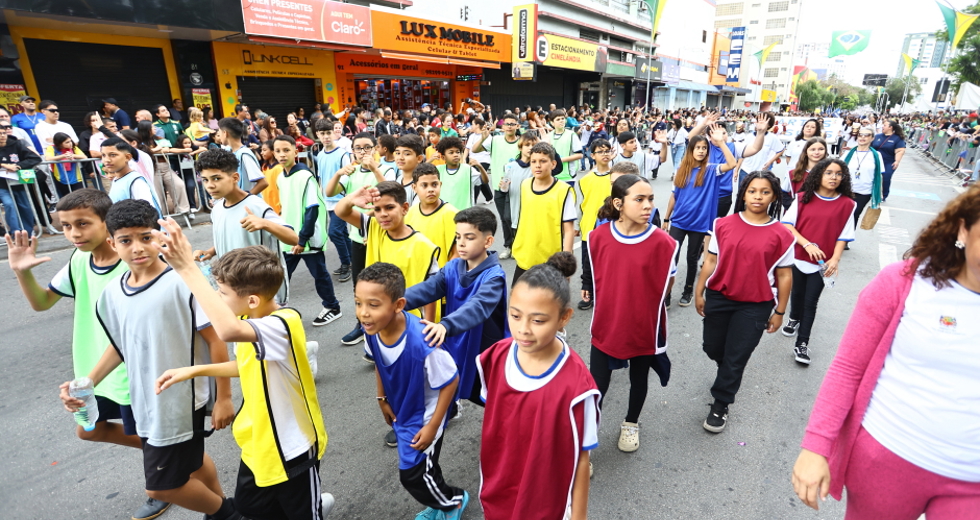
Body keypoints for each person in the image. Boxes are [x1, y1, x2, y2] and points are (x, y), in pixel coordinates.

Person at [792, 185, 980, 519]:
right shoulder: (903, 282)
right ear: (964, 229)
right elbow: (848, 368)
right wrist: (816, 446)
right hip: (888, 456)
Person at [57, 199, 238, 520]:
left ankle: (230, 513)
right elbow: (120, 346)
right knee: (193, 464)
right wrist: (87, 382)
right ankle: (221, 510)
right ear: (113, 243)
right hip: (144, 402)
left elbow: (216, 339)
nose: (138, 247)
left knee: (162, 488)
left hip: (180, 404)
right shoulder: (112, 294)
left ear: (160, 237)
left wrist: (224, 397)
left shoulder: (183, 283)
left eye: (146, 237)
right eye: (126, 240)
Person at [5, 190, 173, 520]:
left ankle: (166, 482)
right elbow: (42, 302)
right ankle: (173, 457)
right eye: (66, 226)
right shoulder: (80, 260)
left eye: (82, 224)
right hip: (94, 371)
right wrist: (22, 271)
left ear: (107, 224)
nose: (73, 234)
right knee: (90, 429)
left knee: (148, 435)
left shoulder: (134, 261)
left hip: (129, 372)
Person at [153, 238, 335, 519]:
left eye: (223, 293)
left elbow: (226, 331)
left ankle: (315, 506)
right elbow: (245, 366)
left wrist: (187, 268)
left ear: (252, 300)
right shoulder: (248, 320)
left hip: (292, 447)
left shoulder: (282, 323)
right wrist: (193, 370)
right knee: (251, 506)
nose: (218, 297)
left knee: (303, 513)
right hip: (260, 443)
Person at [478, 252, 598, 520]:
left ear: (564, 318)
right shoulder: (495, 357)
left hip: (545, 498)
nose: (523, 329)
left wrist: (578, 516)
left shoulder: (578, 387)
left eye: (538, 320)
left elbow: (581, 457)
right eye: (515, 315)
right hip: (498, 489)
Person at [356, 262, 469, 519]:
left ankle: (453, 501)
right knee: (424, 467)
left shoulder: (422, 341)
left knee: (412, 475)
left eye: (373, 305)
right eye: (358, 303)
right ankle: (440, 500)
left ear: (398, 305)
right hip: (403, 410)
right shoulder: (372, 330)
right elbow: (379, 362)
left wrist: (433, 426)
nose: (363, 313)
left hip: (425, 416)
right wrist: (381, 398)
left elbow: (451, 380)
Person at [694, 171, 794, 433]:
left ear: (774, 197)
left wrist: (780, 311)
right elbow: (711, 260)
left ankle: (721, 404)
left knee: (736, 357)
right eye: (752, 191)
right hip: (720, 296)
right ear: (744, 194)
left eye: (765, 192)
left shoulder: (782, 235)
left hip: (755, 304)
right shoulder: (723, 224)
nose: (758, 197)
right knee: (713, 348)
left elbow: (785, 275)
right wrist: (699, 291)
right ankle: (726, 368)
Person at [587, 174, 676, 452]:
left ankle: (631, 422)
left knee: (639, 378)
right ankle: (586, 439)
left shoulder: (664, 243)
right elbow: (596, 275)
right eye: (639, 199)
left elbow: (667, 281)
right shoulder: (597, 237)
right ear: (619, 204)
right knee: (596, 386)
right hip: (606, 325)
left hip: (642, 327)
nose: (648, 205)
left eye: (650, 199)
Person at [403, 206, 508, 409]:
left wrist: (445, 325)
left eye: (469, 237)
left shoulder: (494, 276)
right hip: (456, 340)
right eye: (458, 236)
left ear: (488, 241)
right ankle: (445, 412)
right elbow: (428, 288)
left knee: (492, 400)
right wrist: (396, 302)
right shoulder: (452, 267)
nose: (461, 243)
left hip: (483, 350)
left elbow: (477, 307)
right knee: (446, 384)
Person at [334, 181, 440, 361]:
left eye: (389, 207)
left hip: (408, 324)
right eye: (377, 209)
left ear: (404, 208)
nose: (383, 214)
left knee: (408, 368)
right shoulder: (373, 227)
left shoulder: (423, 246)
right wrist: (351, 199)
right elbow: (341, 211)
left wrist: (428, 327)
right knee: (382, 365)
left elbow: (431, 292)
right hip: (376, 319)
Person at [190, 149, 297, 304]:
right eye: (205, 180)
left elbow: (293, 239)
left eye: (216, 178)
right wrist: (210, 252)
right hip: (234, 288)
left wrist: (265, 223)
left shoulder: (255, 206)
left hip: (262, 291)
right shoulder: (217, 209)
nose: (210, 185)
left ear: (235, 177)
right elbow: (234, 236)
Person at [780, 158, 856, 365]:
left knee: (810, 302)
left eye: (839, 174)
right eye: (829, 173)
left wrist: (835, 259)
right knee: (797, 293)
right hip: (797, 256)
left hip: (823, 263)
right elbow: (787, 225)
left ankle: (802, 343)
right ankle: (793, 318)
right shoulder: (802, 198)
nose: (834, 177)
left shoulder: (848, 204)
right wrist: (807, 245)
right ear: (819, 175)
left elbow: (843, 235)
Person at [662, 127, 737, 308]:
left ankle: (688, 291)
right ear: (691, 150)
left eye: (704, 148)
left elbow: (732, 163)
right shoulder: (681, 169)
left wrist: (720, 142)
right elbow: (674, 196)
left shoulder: (711, 169)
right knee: (672, 257)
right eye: (698, 148)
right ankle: (667, 292)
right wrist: (666, 219)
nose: (702, 151)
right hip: (679, 221)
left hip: (699, 223)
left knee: (692, 257)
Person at [274, 135, 343, 327]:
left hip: (307, 238)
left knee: (319, 273)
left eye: (286, 150)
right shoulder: (280, 177)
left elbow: (312, 210)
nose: (282, 154)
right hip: (289, 237)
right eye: (278, 151)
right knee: (281, 275)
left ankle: (332, 307)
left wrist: (302, 239)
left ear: (296, 151)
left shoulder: (305, 176)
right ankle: (277, 308)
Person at [508, 142, 576, 283]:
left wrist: (566, 264)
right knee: (518, 294)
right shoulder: (525, 185)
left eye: (543, 161)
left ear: (553, 164)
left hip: (551, 260)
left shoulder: (563, 191)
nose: (537, 165)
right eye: (533, 161)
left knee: (547, 297)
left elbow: (569, 231)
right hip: (526, 255)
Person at [473, 112, 521, 258]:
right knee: (504, 218)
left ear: (517, 126)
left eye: (512, 124)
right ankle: (508, 246)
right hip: (499, 186)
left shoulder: (521, 143)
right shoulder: (495, 140)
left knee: (514, 217)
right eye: (507, 124)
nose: (509, 126)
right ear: (502, 126)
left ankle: (518, 245)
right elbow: (475, 150)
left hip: (518, 186)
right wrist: (483, 137)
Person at [314, 119, 356, 283]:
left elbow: (348, 176)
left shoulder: (342, 154)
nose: (326, 137)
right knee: (342, 232)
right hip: (327, 201)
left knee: (334, 232)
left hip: (341, 200)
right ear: (317, 135)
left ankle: (346, 263)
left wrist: (345, 197)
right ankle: (353, 261)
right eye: (322, 134)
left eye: (328, 133)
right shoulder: (320, 155)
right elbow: (321, 178)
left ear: (334, 133)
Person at [574, 138, 614, 310]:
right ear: (592, 155)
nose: (605, 154)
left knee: (608, 264)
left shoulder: (616, 177)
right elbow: (581, 204)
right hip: (589, 227)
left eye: (607, 151)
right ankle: (588, 293)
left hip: (610, 228)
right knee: (588, 263)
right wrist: (577, 226)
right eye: (600, 151)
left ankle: (606, 294)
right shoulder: (585, 180)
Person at [101, 137, 163, 217]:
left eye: (113, 155)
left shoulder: (136, 182)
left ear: (127, 157)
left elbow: (147, 214)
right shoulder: (116, 179)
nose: (106, 160)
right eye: (103, 155)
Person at [842, 128, 883, 233]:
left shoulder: (876, 155)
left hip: (864, 192)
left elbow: (879, 175)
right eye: (860, 135)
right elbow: (838, 170)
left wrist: (879, 193)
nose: (863, 137)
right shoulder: (848, 153)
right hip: (846, 190)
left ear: (872, 138)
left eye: (867, 135)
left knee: (854, 214)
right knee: (842, 215)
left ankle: (847, 238)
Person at [217, 118, 268, 195]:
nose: (219, 136)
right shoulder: (229, 152)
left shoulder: (244, 154)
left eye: (219, 133)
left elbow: (263, 183)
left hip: (247, 202)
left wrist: (244, 198)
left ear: (225, 133)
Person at [435, 137, 485, 212]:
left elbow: (484, 181)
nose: (455, 155)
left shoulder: (468, 169)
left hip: (465, 212)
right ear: (443, 157)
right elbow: (420, 175)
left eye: (458, 152)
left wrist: (480, 167)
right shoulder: (438, 170)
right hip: (444, 212)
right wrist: (430, 160)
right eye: (451, 153)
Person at [785, 137, 829, 204]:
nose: (816, 152)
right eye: (812, 149)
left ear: (825, 151)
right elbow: (783, 193)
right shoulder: (793, 173)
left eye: (821, 149)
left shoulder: (830, 173)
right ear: (806, 152)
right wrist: (793, 206)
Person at [871, 119, 906, 202]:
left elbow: (900, 151)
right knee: (872, 176)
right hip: (875, 160)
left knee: (886, 177)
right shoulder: (877, 136)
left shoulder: (897, 138)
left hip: (888, 162)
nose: (882, 127)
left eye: (885, 125)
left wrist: (897, 161)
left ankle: (883, 195)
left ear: (890, 127)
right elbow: (868, 146)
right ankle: (871, 192)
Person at [547, 109, 584, 185]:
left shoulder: (572, 135)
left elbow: (580, 155)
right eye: (558, 119)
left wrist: (559, 160)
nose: (561, 121)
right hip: (552, 176)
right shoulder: (548, 136)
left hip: (568, 177)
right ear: (552, 123)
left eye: (563, 118)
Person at [258, 140, 282, 214]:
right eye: (261, 150)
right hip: (266, 205)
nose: (261, 153)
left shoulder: (279, 168)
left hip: (277, 207)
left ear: (273, 151)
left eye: (264, 150)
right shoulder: (265, 167)